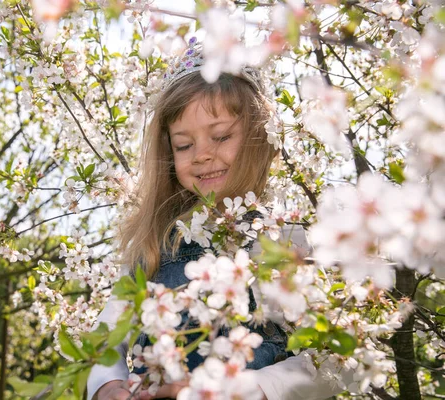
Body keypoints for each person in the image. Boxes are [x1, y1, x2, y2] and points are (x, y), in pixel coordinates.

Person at [87, 38, 347, 400]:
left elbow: (330, 361)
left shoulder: (281, 237)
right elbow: (105, 336)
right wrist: (108, 385)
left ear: (260, 137)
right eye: (183, 145)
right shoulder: (157, 244)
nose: (203, 155)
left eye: (221, 136)